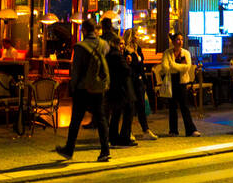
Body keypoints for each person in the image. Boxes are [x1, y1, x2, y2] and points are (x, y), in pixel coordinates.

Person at [54, 17, 112, 162]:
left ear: (84, 30)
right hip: (98, 87)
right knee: (101, 118)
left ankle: (69, 149)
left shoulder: (80, 47)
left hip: (83, 88)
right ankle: (105, 150)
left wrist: (72, 87)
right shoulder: (104, 44)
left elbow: (76, 70)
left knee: (76, 119)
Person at [100, 19, 138, 147]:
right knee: (127, 113)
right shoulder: (117, 55)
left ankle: (114, 137)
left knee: (116, 114)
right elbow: (126, 71)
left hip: (116, 89)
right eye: (120, 44)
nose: (122, 46)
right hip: (123, 90)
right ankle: (123, 137)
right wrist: (129, 64)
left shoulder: (112, 55)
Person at [159, 32, 199, 137]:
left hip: (182, 82)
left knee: (184, 106)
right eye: (178, 39)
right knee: (172, 107)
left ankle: (191, 130)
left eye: (181, 39)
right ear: (173, 41)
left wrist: (173, 65)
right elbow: (165, 67)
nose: (180, 42)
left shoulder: (185, 53)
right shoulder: (167, 53)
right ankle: (173, 130)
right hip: (171, 81)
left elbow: (187, 67)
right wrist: (178, 66)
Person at [122, 29, 158, 140]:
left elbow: (141, 64)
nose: (138, 36)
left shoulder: (138, 48)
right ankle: (128, 131)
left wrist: (144, 80)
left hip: (139, 80)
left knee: (141, 106)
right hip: (131, 80)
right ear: (131, 37)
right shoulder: (125, 51)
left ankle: (145, 130)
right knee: (130, 107)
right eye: (136, 35)